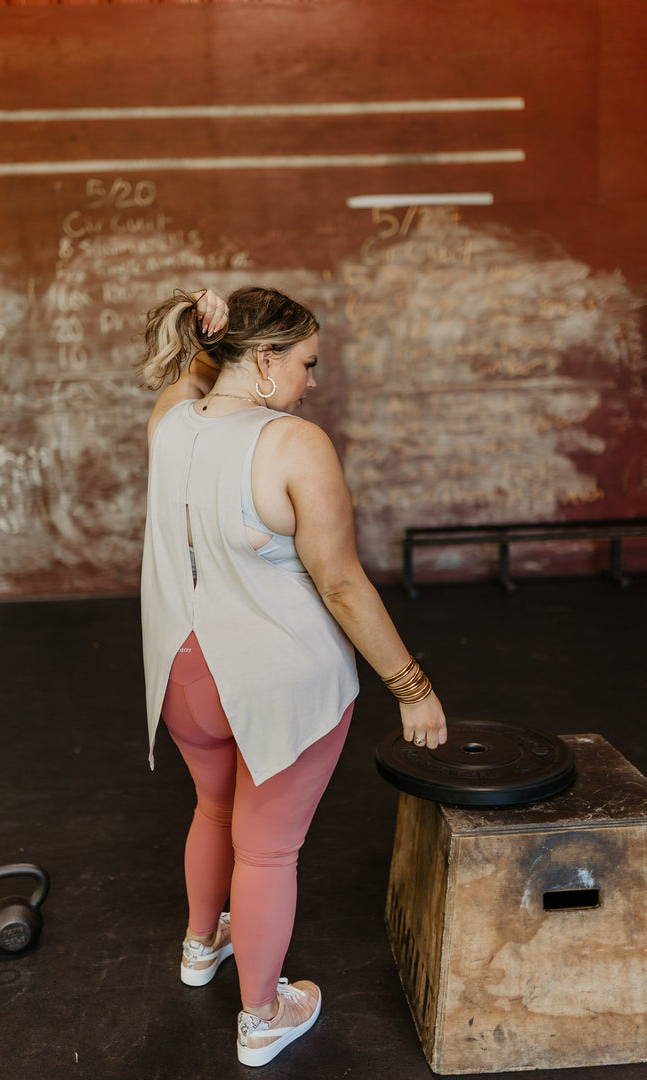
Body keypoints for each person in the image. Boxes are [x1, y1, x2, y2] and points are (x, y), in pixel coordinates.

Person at [138, 286, 447, 1067]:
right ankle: (262, 1016)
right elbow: (341, 583)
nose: (314, 382)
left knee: (213, 809)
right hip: (278, 682)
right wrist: (413, 688)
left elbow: (189, 371)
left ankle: (201, 946)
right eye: (307, 363)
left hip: (181, 676)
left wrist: (203, 332)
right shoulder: (293, 444)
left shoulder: (171, 420)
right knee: (268, 852)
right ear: (266, 358)